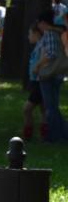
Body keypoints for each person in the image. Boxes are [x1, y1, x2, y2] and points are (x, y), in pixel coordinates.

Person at [34, 10, 68, 142]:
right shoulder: (56, 32)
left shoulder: (49, 34)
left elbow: (51, 54)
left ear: (43, 23)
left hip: (50, 75)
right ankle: (63, 132)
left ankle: (54, 136)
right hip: (56, 74)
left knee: (50, 107)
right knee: (53, 107)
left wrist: (38, 66)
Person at [23, 24, 48, 141]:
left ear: (36, 34)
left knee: (27, 108)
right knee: (43, 109)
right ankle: (44, 134)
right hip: (36, 80)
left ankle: (28, 133)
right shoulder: (39, 45)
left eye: (30, 34)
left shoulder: (43, 44)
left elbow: (45, 58)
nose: (28, 37)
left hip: (39, 80)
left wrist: (37, 67)